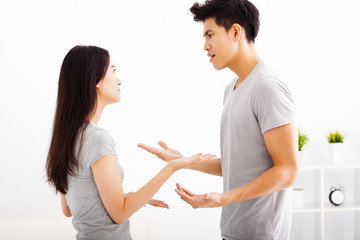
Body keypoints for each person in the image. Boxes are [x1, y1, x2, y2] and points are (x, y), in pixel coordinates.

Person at [137, 0, 298, 239]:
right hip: (232, 231)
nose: (205, 46)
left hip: (262, 234)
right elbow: (237, 166)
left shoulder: (267, 87)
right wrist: (182, 160)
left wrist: (223, 198)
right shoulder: (232, 88)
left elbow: (287, 171)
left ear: (235, 32)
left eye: (210, 35)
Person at [45, 45, 215, 240]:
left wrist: (129, 196)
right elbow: (120, 214)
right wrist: (171, 167)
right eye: (113, 70)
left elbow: (69, 209)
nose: (119, 80)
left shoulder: (67, 138)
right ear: (95, 80)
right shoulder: (97, 139)